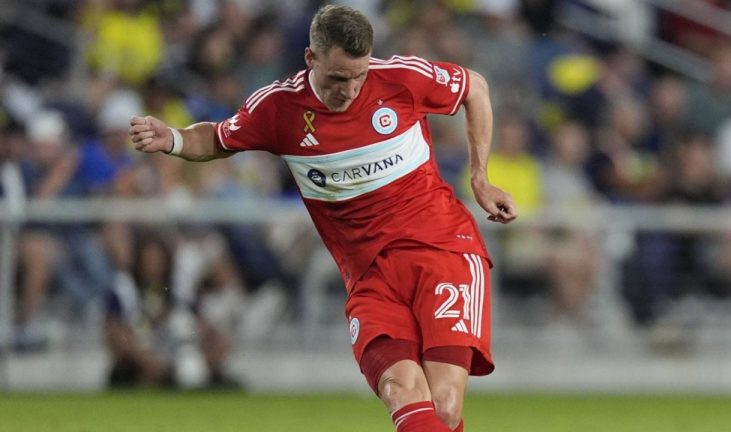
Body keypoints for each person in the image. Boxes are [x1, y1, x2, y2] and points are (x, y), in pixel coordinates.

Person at [129, 5, 515, 431]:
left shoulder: (400, 78)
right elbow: (219, 138)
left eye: (358, 76)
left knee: (442, 407)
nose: (350, 90)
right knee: (402, 390)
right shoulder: (279, 108)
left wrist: (480, 177)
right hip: (369, 278)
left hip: (441, 250)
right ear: (311, 59)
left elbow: (474, 88)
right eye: (338, 78)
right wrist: (174, 138)